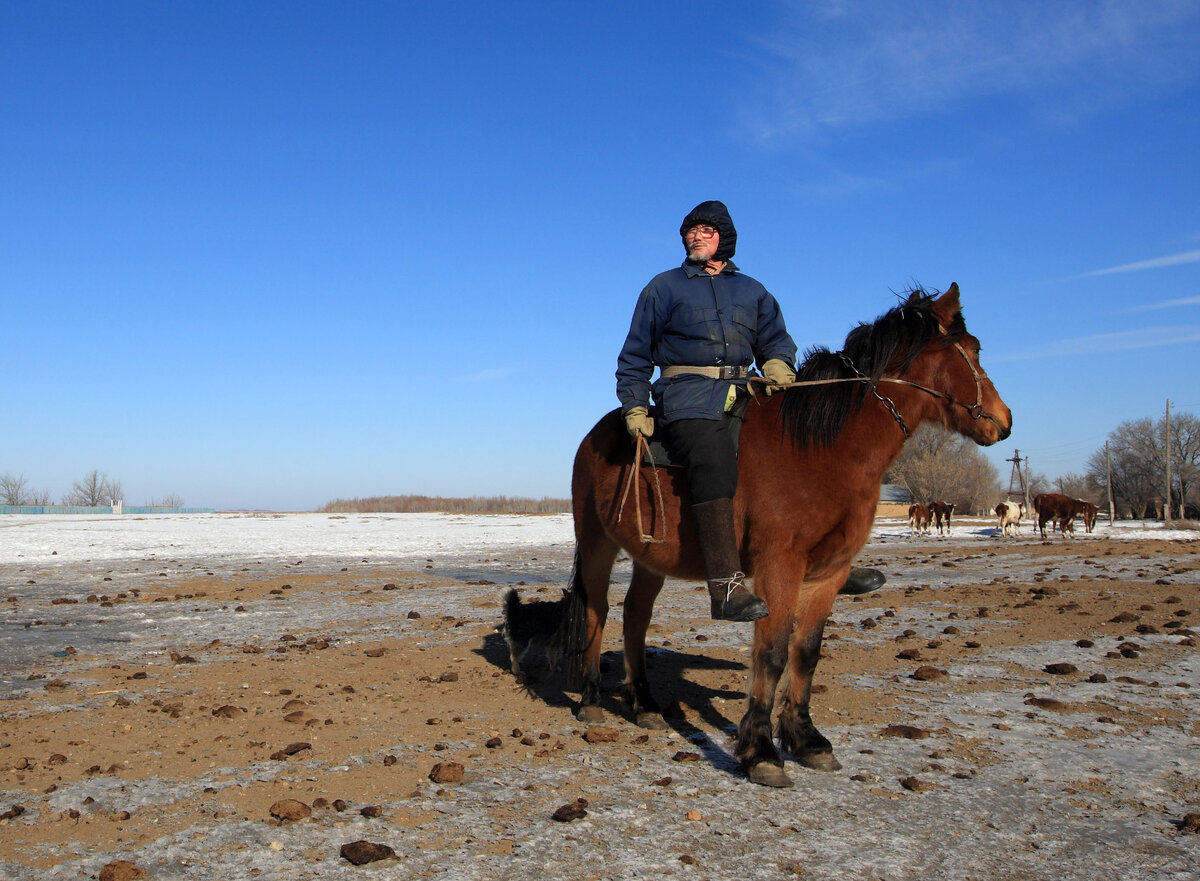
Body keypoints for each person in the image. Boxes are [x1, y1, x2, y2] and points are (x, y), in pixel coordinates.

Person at [616, 200, 797, 621]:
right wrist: (635, 405)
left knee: (803, 438)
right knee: (712, 456)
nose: (695, 236)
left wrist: (778, 363)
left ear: (723, 238)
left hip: (747, 389)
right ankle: (725, 588)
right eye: (690, 231)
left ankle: (828, 557)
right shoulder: (663, 287)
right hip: (687, 396)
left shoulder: (753, 290)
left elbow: (776, 338)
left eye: (705, 230)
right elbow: (635, 354)